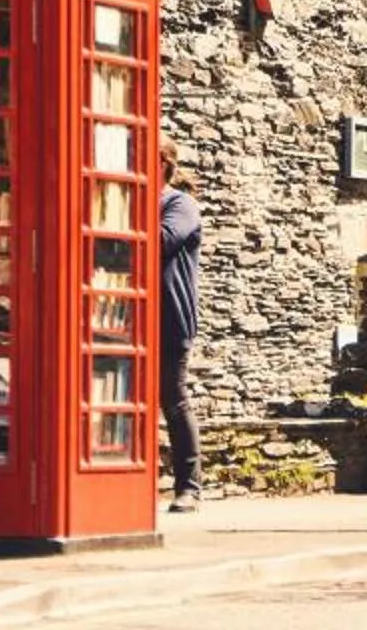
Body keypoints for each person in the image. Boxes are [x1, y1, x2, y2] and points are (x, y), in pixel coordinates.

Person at [158, 158, 204, 513]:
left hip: (170, 317)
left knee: (173, 399)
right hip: (124, 315)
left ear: (162, 164)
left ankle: (189, 487)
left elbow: (162, 240)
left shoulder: (180, 204)